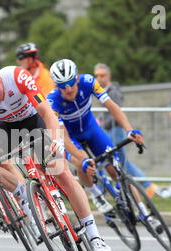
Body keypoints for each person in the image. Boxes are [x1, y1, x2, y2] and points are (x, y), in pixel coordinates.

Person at [0, 52, 112, 251]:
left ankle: (94, 235)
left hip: (34, 119)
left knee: (61, 173)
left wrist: (56, 140)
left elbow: (47, 112)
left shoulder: (16, 77)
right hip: (6, 127)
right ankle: (26, 196)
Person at [47, 59, 162, 232]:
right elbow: (63, 136)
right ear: (57, 86)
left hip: (91, 129)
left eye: (71, 83)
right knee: (83, 163)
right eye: (63, 86)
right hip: (71, 138)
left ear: (76, 79)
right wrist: (82, 159)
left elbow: (112, 107)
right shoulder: (53, 100)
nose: (68, 89)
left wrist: (129, 130)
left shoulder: (88, 82)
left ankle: (145, 214)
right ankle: (97, 196)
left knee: (117, 170)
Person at [93, 63, 157, 198]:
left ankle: (144, 186)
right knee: (118, 161)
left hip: (115, 130)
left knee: (117, 161)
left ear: (109, 76)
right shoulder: (104, 90)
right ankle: (144, 186)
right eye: (97, 75)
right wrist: (99, 120)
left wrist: (102, 122)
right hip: (109, 129)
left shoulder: (113, 91)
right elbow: (105, 113)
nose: (99, 78)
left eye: (102, 75)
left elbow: (115, 111)